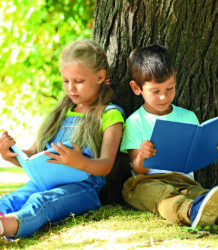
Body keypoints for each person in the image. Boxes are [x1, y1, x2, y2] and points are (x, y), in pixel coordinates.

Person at [0, 39, 125, 239]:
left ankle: (5, 227)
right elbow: (33, 155)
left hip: (83, 188)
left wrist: (80, 162)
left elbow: (106, 165)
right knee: (10, 200)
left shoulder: (109, 114)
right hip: (45, 182)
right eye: (66, 81)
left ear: (100, 76)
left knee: (42, 202)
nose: (71, 88)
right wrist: (11, 155)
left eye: (78, 81)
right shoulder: (60, 113)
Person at [120, 44, 218, 231]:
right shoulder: (135, 121)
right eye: (155, 91)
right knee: (163, 196)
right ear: (136, 88)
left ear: (175, 79)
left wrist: (217, 144)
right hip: (147, 182)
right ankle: (191, 212)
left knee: (201, 194)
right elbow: (137, 169)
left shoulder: (188, 117)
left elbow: (197, 152)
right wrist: (142, 155)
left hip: (184, 181)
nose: (164, 97)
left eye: (170, 88)